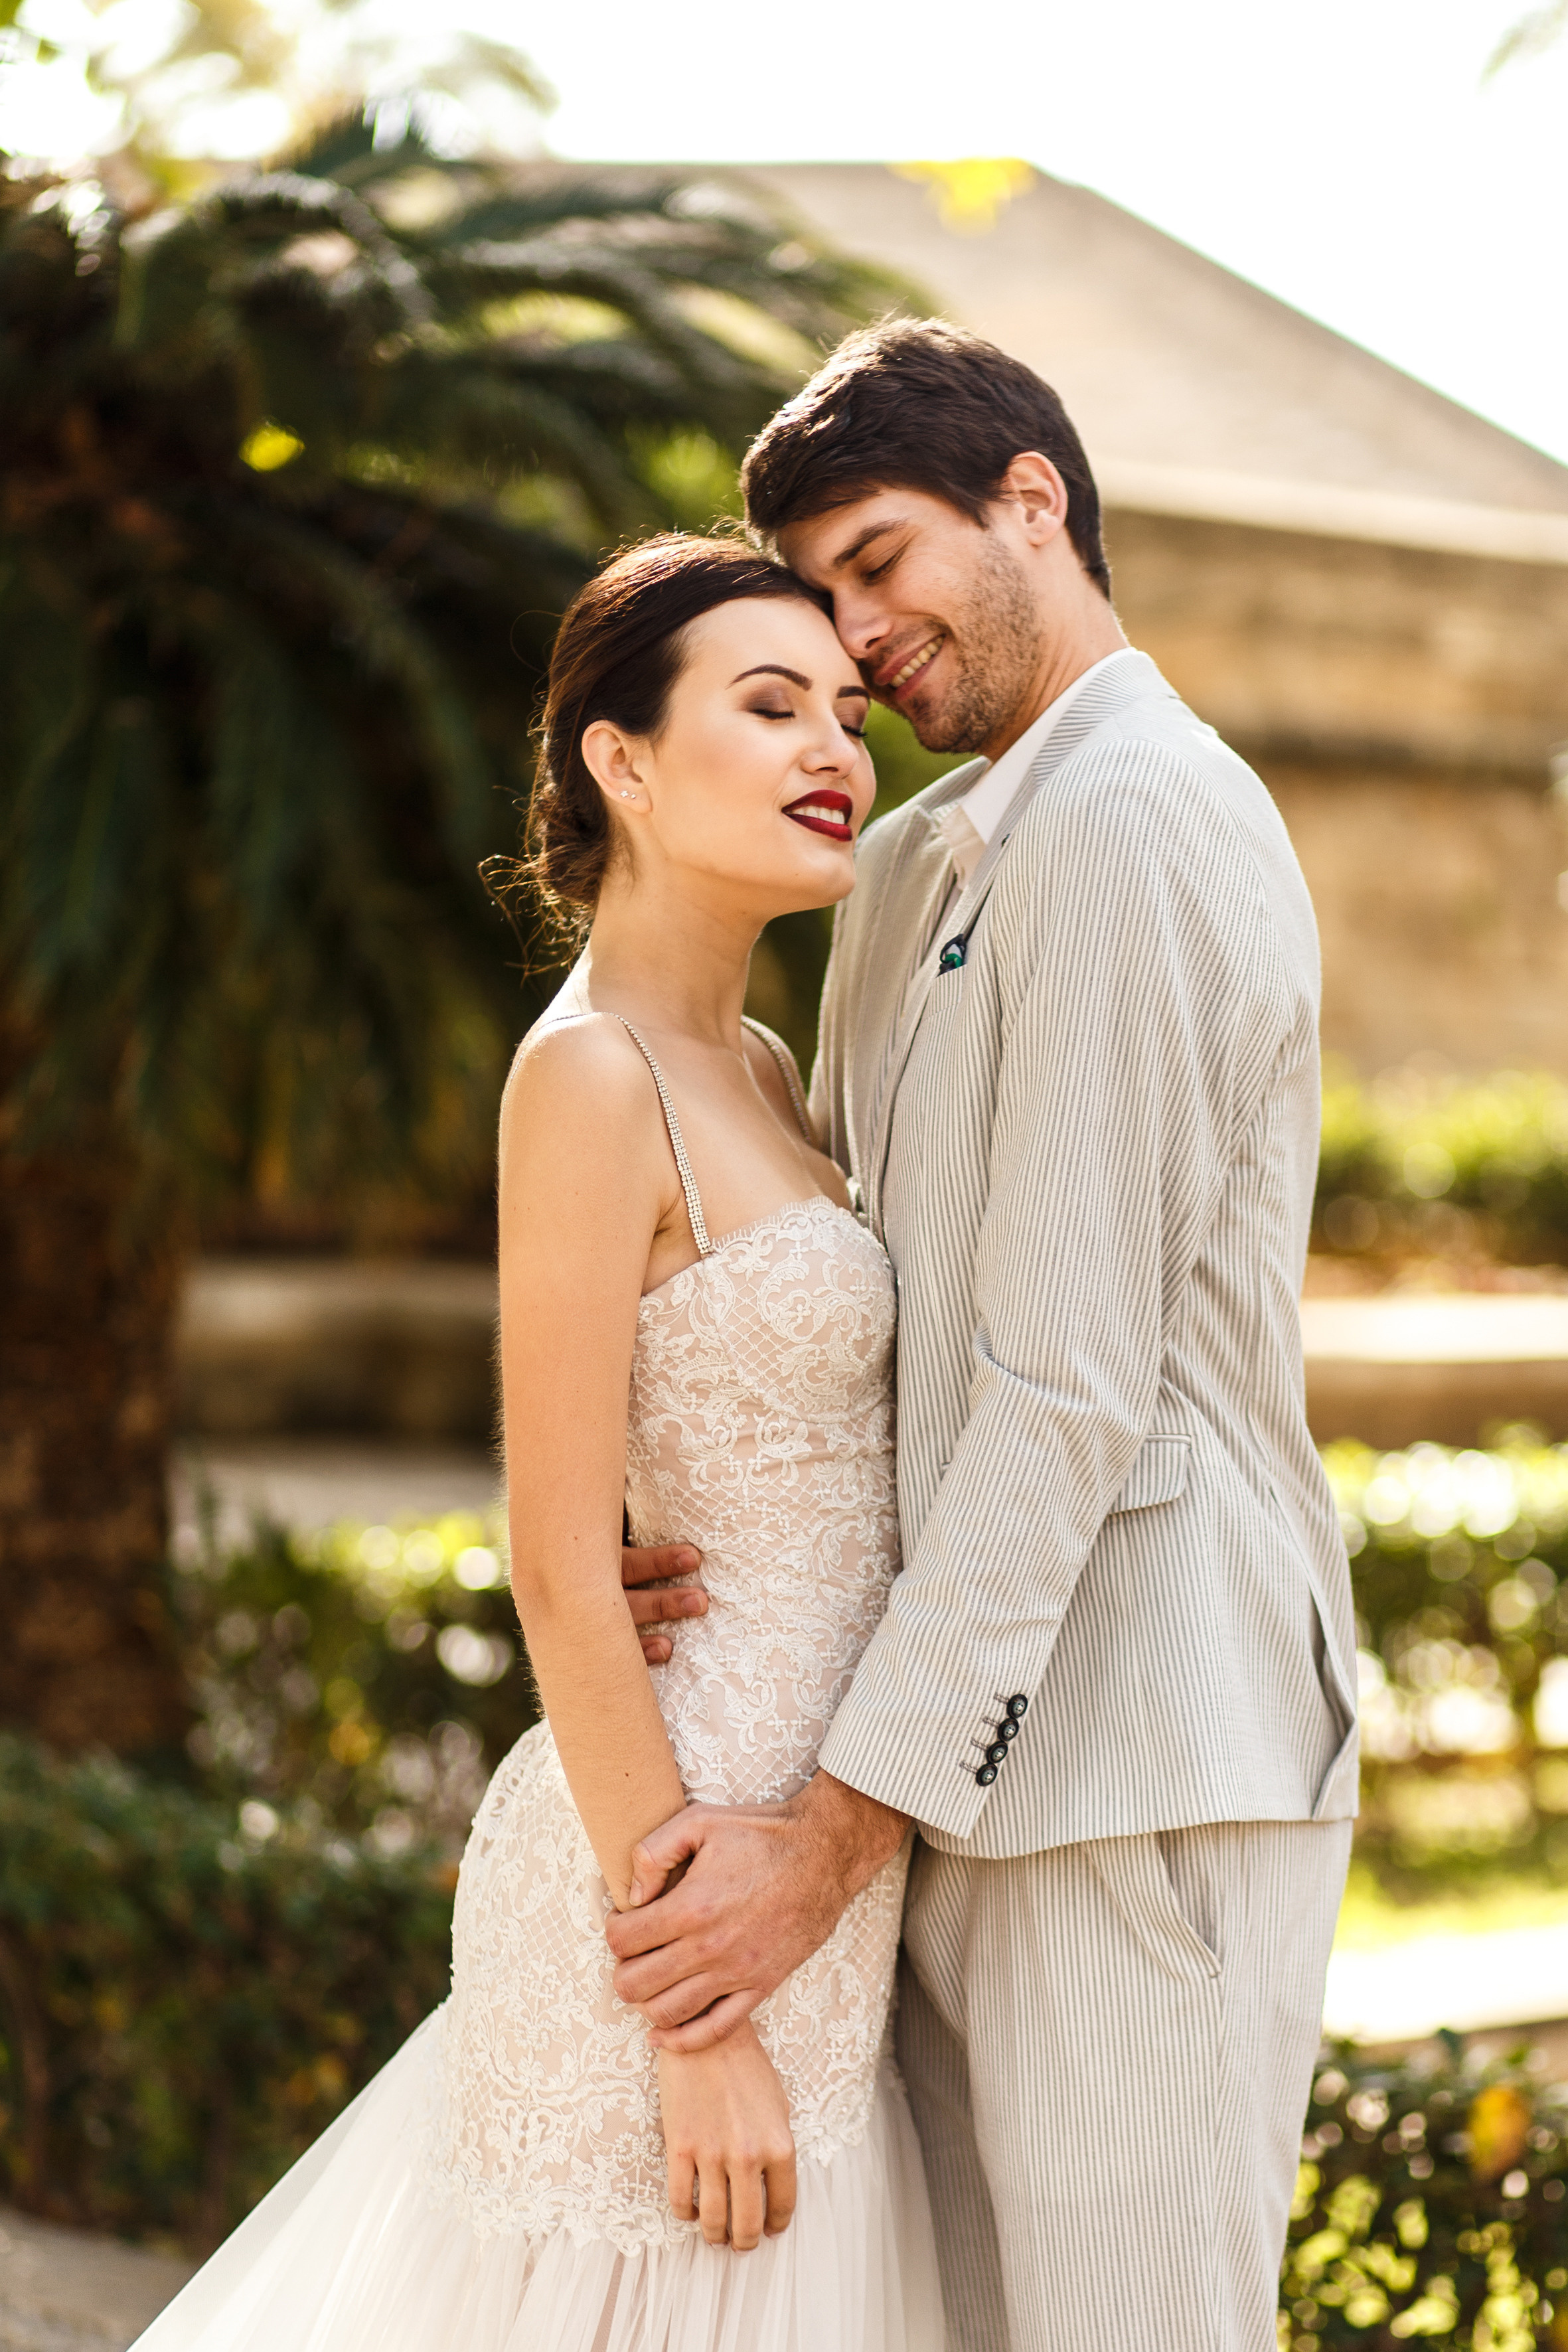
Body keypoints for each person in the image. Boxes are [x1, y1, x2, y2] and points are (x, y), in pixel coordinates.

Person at [607, 321, 1360, 2352]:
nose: (855, 642)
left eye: (877, 561)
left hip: (1139, 1749)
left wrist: (828, 1841)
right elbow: (842, 1291)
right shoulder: (924, 854)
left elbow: (1060, 1389)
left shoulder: (1134, 817)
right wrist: (661, 1494)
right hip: (939, 1752)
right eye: (819, 598)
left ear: (1028, 497)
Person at [128, 535, 945, 2352]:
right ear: (620, 760)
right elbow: (562, 1565)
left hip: (805, 1870)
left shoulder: (752, 1061)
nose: (835, 746)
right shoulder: (587, 1078)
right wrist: (698, 2025)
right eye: (767, 704)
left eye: (845, 709)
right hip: (676, 1890)